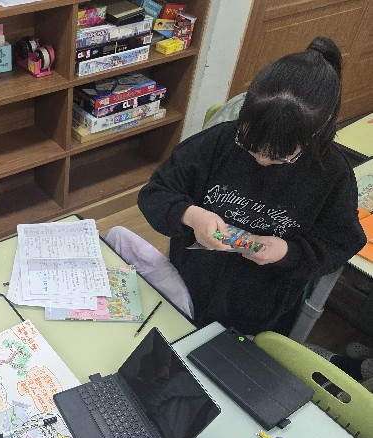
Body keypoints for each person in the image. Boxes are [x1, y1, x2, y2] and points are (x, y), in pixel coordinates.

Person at [137, 37, 366, 335]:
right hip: (188, 282)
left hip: (262, 304)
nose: (261, 160)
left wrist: (286, 251)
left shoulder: (332, 174)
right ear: (243, 113)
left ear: (316, 133)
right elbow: (156, 193)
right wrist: (191, 215)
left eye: (280, 156)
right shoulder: (218, 142)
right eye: (249, 145)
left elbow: (340, 242)